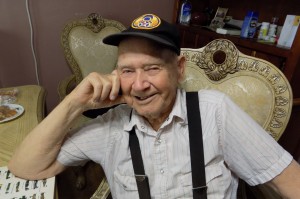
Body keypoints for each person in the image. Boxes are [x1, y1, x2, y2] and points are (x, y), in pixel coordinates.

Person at [8, 13, 300, 198]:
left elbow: (288, 181)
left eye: (152, 68)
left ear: (179, 69)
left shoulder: (215, 112)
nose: (138, 84)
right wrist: (75, 102)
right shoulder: (112, 125)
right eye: (127, 70)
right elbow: (26, 167)